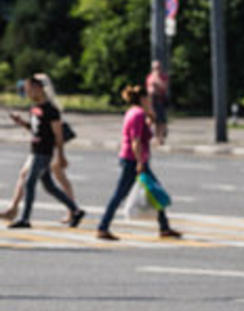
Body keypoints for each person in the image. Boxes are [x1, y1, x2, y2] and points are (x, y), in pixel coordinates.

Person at [95, 84, 180, 240]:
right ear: (142, 99)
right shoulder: (137, 114)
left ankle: (164, 226)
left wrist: (152, 118)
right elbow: (135, 141)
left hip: (135, 159)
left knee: (155, 190)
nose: (150, 101)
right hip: (133, 160)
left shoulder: (135, 113)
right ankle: (102, 227)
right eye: (148, 98)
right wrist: (140, 162)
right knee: (120, 194)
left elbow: (145, 134)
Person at [5, 75, 83, 229]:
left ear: (39, 89)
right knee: (49, 186)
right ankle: (76, 210)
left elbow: (58, 135)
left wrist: (61, 155)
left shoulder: (51, 110)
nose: (28, 93)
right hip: (35, 149)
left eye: (30, 89)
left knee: (30, 183)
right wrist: (21, 123)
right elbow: (35, 130)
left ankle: (25, 219)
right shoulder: (34, 109)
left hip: (44, 152)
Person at [146, 60, 169, 145]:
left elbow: (164, 87)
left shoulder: (163, 77)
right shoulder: (150, 76)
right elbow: (149, 89)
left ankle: (161, 138)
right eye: (155, 68)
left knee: (162, 121)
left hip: (161, 101)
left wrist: (156, 80)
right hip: (153, 101)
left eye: (158, 67)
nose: (157, 69)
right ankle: (156, 138)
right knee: (154, 121)